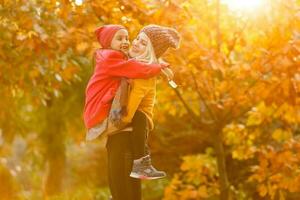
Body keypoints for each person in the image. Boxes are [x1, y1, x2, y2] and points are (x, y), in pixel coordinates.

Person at [112, 25, 180, 180]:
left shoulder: (144, 74)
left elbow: (130, 110)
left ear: (150, 51)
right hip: (127, 121)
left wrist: (116, 122)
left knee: (138, 118)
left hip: (136, 121)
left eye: (143, 43)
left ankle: (142, 165)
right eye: (137, 38)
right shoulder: (130, 64)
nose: (135, 43)